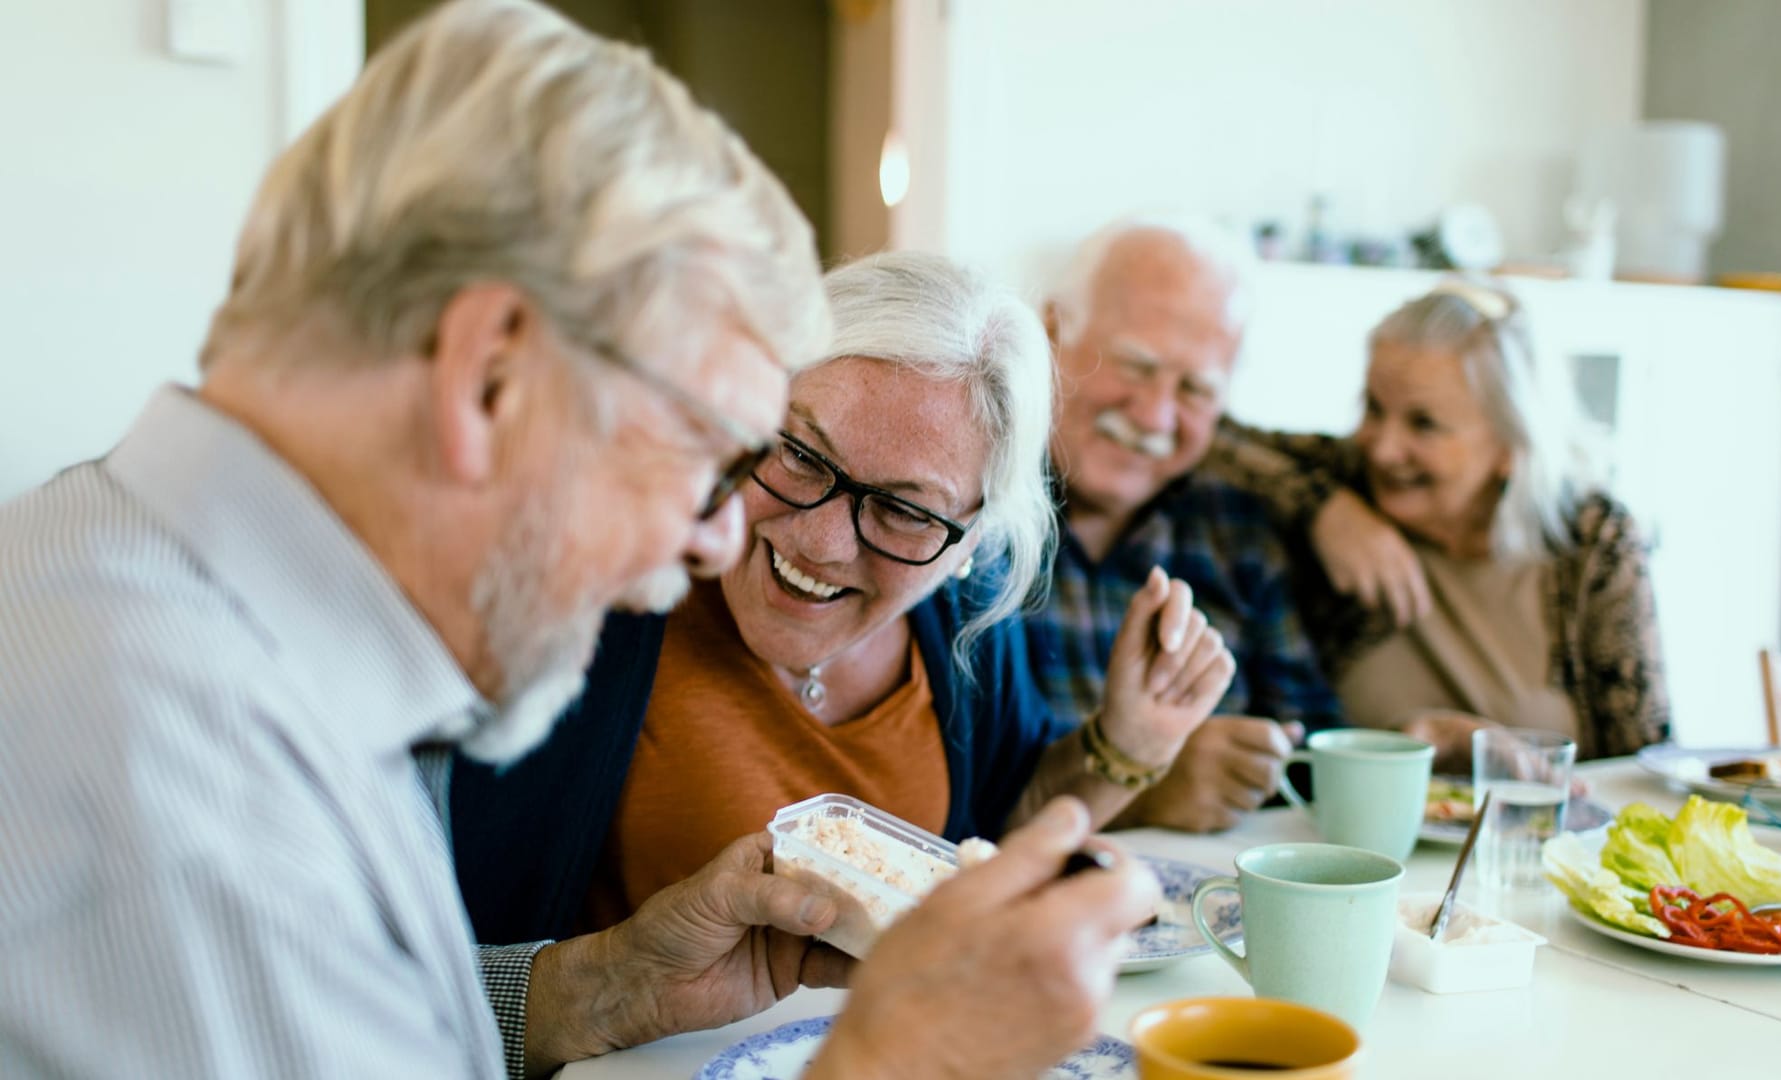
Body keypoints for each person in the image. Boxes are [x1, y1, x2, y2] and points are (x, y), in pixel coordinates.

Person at [0, 3, 1154, 1079]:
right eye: (704, 447)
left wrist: (601, 989)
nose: (711, 542)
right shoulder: (183, 761)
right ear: (491, 376)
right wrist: (899, 1059)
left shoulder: (151, 581)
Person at [451, 251, 1234, 935]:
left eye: (903, 510)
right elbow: (431, 963)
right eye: (798, 452)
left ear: (972, 536)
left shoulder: (964, 608)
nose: (822, 541)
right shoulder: (608, 589)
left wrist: (1128, 744)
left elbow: (991, 845)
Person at [1206, 278, 1669, 771]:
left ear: (1510, 447)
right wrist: (1325, 508)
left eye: (1423, 424)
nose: (1383, 449)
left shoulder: (1593, 539)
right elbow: (1201, 433)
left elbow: (1647, 766)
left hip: (1534, 842)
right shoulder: (1344, 481)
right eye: (1373, 409)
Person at [1027, 217, 1345, 832]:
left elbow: (1313, 755)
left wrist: (1410, 754)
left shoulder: (1236, 531)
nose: (1155, 415)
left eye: (1197, 388)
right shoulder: (964, 517)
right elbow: (944, 800)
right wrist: (1143, 788)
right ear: (1049, 332)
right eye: (1136, 365)